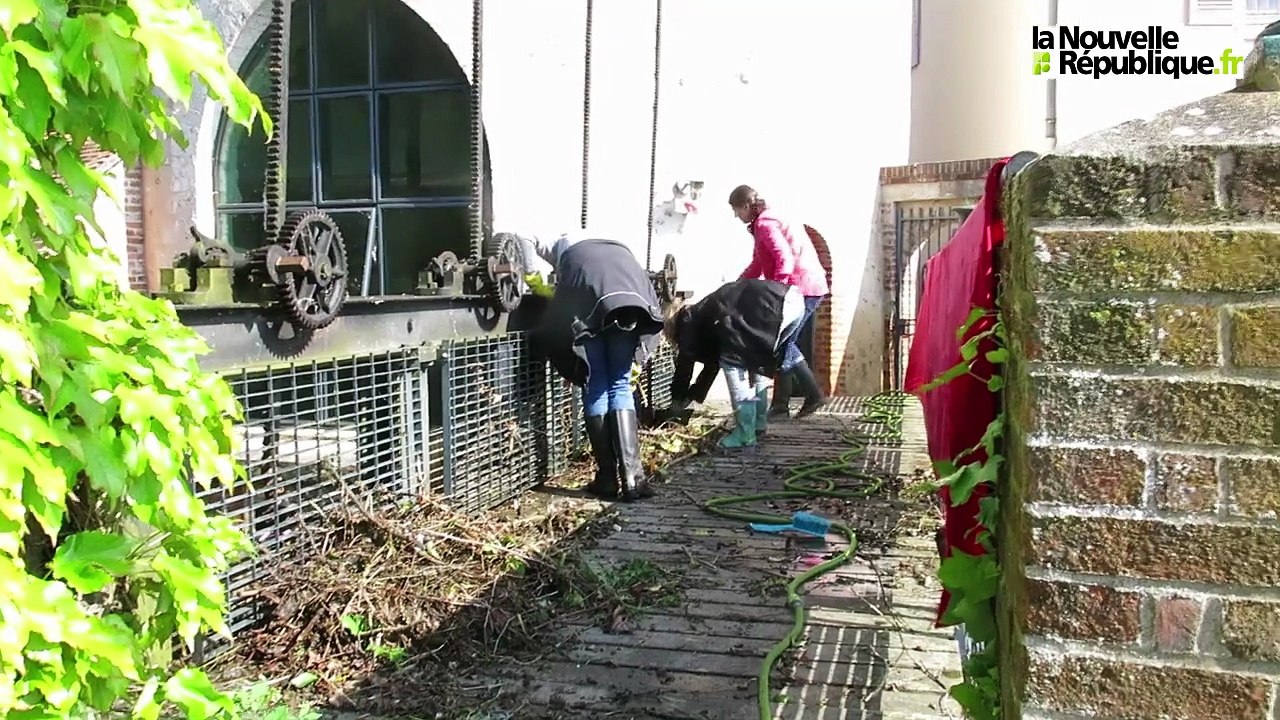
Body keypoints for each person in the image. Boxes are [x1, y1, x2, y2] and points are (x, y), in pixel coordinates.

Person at [514, 229, 665, 502]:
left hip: (587, 303)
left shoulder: (560, 242)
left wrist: (534, 278)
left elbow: (524, 237)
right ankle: (633, 479)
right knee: (620, 384)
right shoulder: (613, 243)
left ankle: (607, 478)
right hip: (628, 299)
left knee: (596, 384)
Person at [665, 278, 807, 449]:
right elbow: (712, 365)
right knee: (756, 365)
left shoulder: (687, 321)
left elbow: (685, 366)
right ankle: (758, 424)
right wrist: (695, 396)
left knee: (733, 363)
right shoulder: (706, 316)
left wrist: (678, 401)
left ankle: (745, 433)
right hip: (794, 300)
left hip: (773, 305)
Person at [730, 184, 829, 418]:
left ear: (746, 206)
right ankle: (780, 406)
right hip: (805, 285)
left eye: (736, 210)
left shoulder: (765, 224)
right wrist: (737, 286)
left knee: (783, 343)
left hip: (802, 288)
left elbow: (784, 259)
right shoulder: (769, 219)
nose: (736, 216)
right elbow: (758, 263)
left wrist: (776, 291)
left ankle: (812, 396)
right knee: (782, 343)